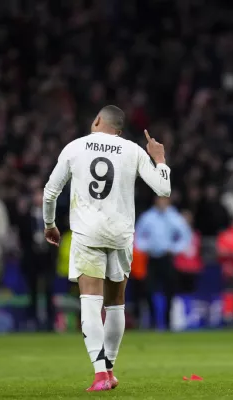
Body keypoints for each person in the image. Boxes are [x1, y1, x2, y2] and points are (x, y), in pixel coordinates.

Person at [42, 105, 171, 392]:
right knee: (116, 305)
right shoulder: (134, 150)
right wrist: (160, 159)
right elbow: (163, 190)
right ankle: (109, 369)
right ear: (120, 130)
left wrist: (50, 224)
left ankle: (100, 374)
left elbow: (50, 191)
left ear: (98, 120)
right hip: (120, 235)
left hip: (87, 233)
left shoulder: (75, 147)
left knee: (90, 301)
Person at [134, 197, 192, 330]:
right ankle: (153, 321)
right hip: (152, 257)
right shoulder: (148, 216)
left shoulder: (174, 217)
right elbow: (138, 236)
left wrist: (175, 248)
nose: (162, 202)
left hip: (167, 257)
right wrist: (144, 247)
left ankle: (168, 321)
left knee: (169, 290)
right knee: (148, 290)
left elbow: (185, 236)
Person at [18, 190, 58, 331]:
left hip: (47, 258)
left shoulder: (52, 214)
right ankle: (32, 321)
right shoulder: (26, 216)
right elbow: (22, 237)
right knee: (33, 292)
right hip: (32, 259)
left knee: (49, 290)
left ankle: (50, 323)